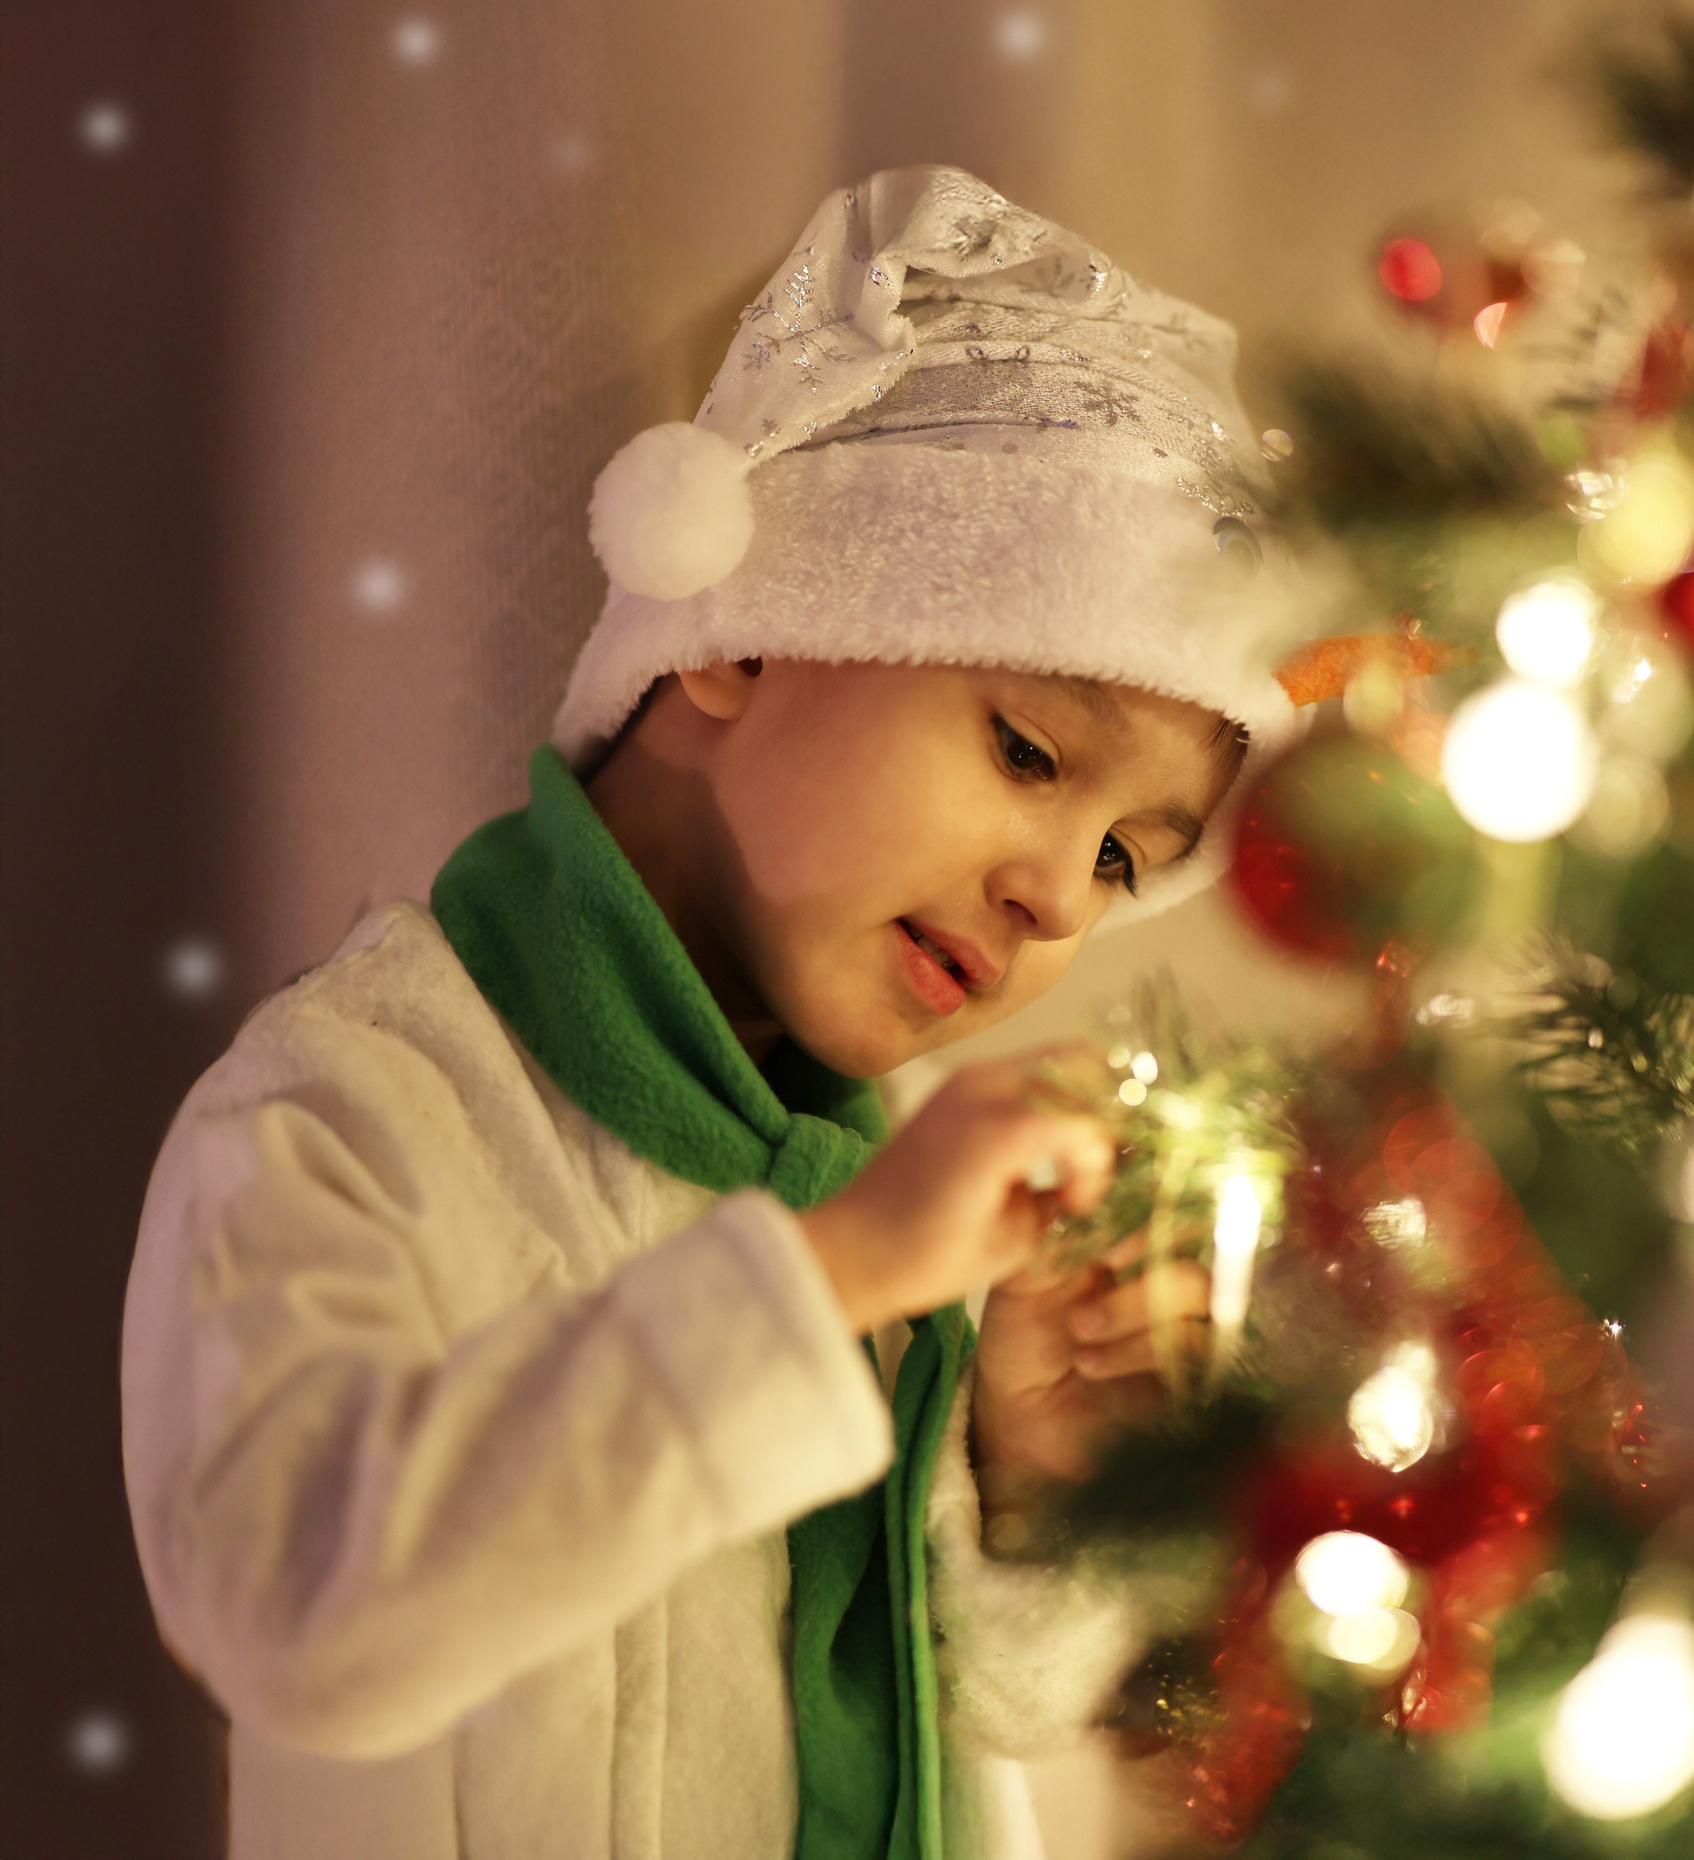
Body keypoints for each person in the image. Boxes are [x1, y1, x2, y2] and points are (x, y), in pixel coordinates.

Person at [121, 167, 1312, 1860]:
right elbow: (294, 1619)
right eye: (1030, 753)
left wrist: (1031, 1481)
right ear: (745, 635)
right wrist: (833, 1279)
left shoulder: (872, 1185)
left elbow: (980, 1724)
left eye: (1125, 859)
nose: (1060, 892)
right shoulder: (347, 1111)